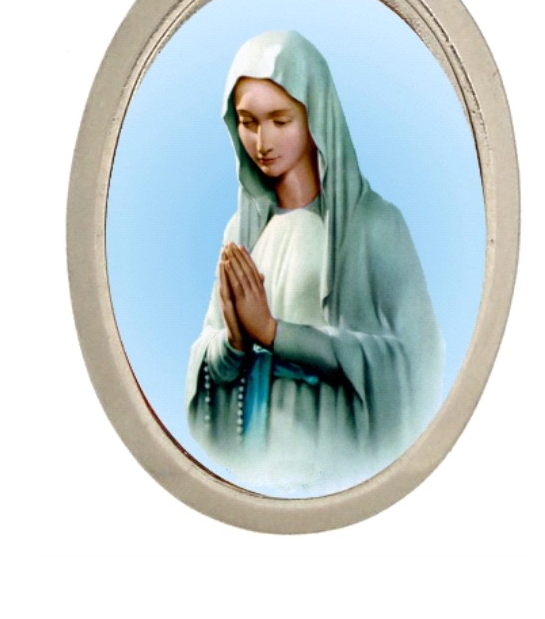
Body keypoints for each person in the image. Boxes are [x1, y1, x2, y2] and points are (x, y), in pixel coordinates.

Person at [185, 30, 444, 496]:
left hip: (333, 454)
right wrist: (236, 343)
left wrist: (276, 334)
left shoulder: (373, 226)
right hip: (257, 453)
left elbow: (413, 364)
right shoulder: (240, 233)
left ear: (316, 117)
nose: (261, 141)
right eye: (247, 122)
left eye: (280, 120)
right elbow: (210, 360)